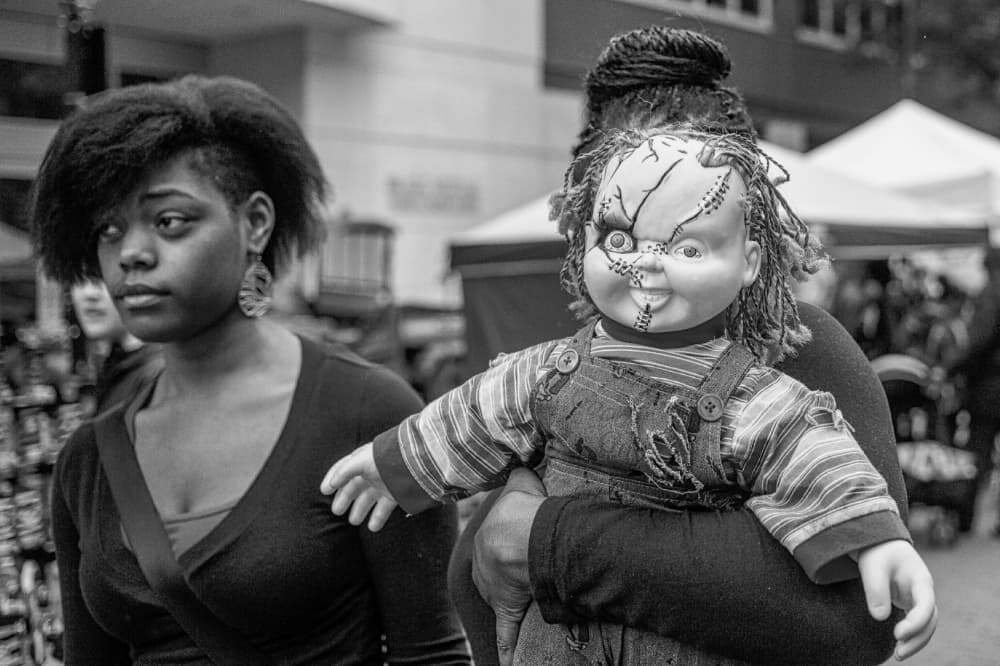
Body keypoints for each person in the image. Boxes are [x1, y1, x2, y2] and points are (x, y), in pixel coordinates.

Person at [348, 27, 932, 666]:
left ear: (750, 208)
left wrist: (547, 538)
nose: (655, 242)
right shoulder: (564, 359)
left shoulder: (798, 349)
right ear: (584, 203)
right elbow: (477, 572)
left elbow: (856, 619)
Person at [31, 75, 470, 664]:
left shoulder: (367, 413)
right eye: (109, 230)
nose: (131, 252)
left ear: (255, 222)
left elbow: (433, 655)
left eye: (169, 222)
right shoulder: (87, 459)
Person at [950, 247, 1000, 534]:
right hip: (991, 383)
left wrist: (954, 368)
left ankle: (964, 515)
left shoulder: (991, 293)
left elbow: (978, 340)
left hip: (990, 386)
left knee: (977, 449)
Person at [69, 277, 162, 413]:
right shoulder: (120, 364)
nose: (89, 294)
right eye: (79, 279)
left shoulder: (155, 375)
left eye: (103, 278)